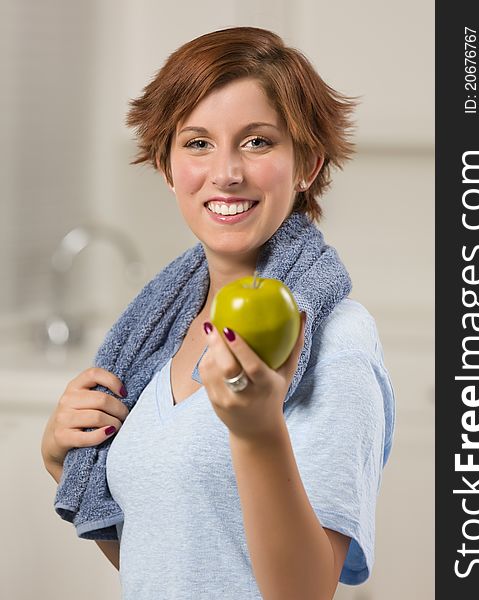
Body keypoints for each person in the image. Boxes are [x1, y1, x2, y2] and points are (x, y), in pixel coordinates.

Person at [41, 26, 395, 600]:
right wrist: (63, 461)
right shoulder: (155, 338)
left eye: (258, 142)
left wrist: (257, 432)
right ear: (167, 165)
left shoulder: (336, 338)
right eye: (198, 143)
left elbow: (306, 593)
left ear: (307, 164)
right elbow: (173, 562)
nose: (226, 172)